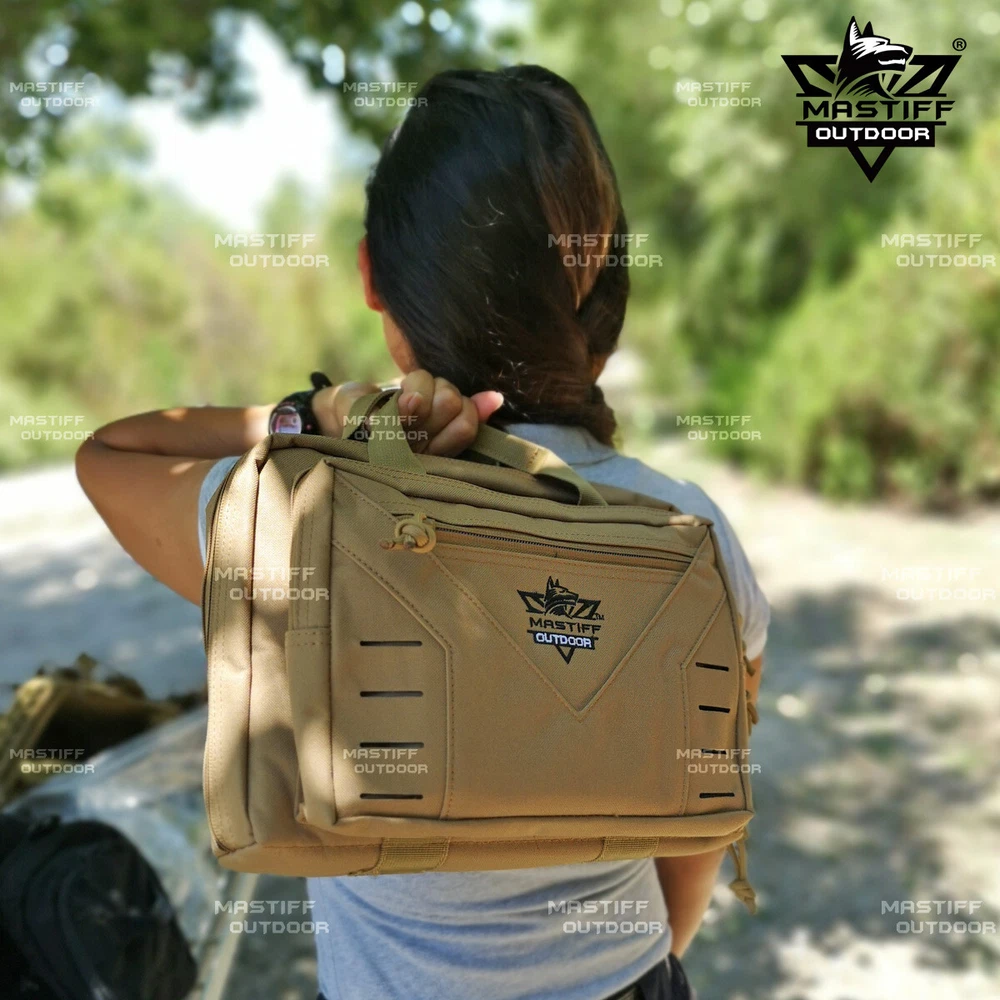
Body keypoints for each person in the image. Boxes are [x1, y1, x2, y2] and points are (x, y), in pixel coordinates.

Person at [76, 65, 769, 1000]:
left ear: (373, 276)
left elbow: (113, 453)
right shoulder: (693, 536)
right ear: (594, 287)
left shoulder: (304, 517)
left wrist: (312, 414)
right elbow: (697, 824)